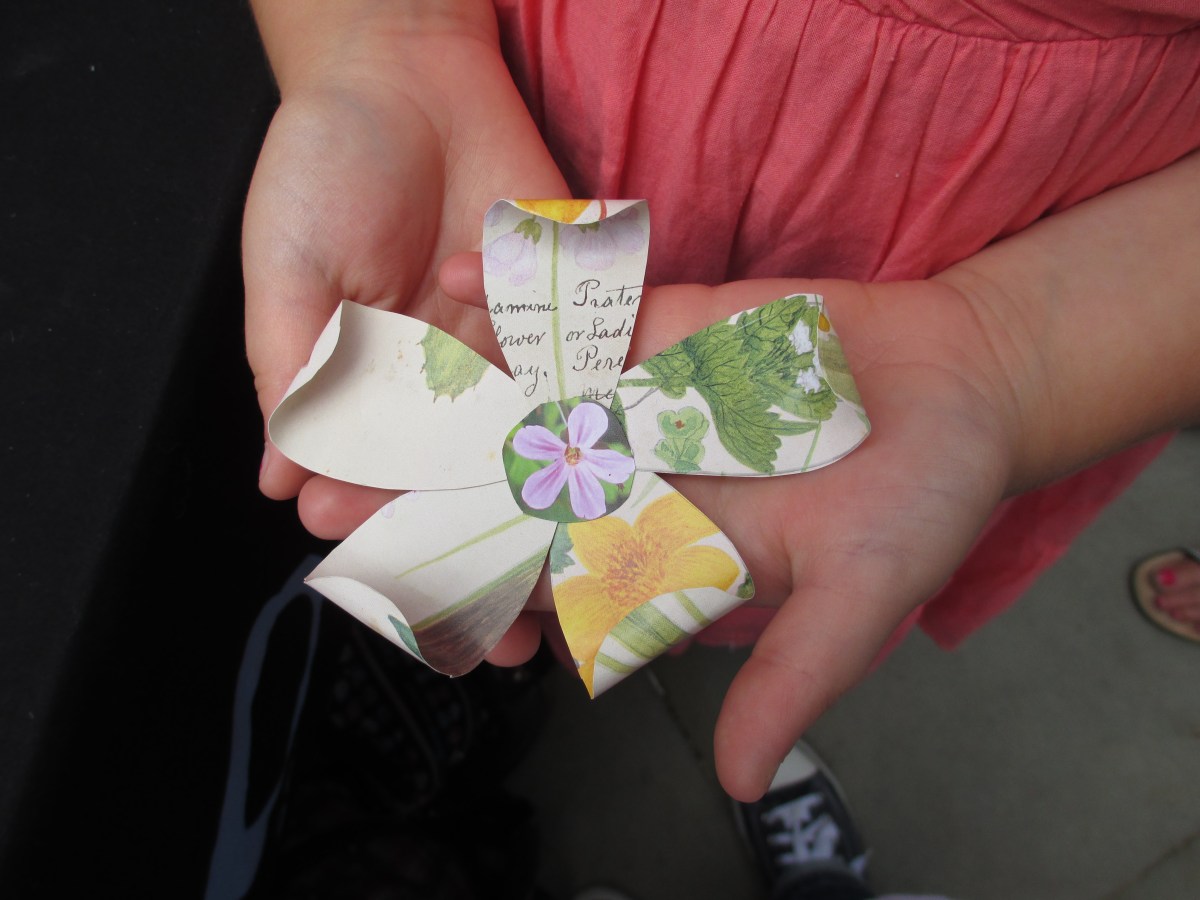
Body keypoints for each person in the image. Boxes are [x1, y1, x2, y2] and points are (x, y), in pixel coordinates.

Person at [243, 0, 1200, 802]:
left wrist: (1014, 355)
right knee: (621, 581)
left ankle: (685, 626)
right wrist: (380, 41)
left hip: (1057, 261)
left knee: (765, 561)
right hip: (516, 106)